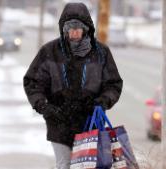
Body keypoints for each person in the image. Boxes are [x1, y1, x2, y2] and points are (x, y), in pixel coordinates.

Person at [23, 2, 123, 169]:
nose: (74, 32)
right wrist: (44, 106)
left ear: (86, 29)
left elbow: (113, 84)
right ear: (64, 28)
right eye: (70, 27)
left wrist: (103, 101)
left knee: (89, 166)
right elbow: (33, 81)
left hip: (90, 123)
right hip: (58, 123)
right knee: (64, 165)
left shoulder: (101, 53)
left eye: (78, 27)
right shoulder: (50, 51)